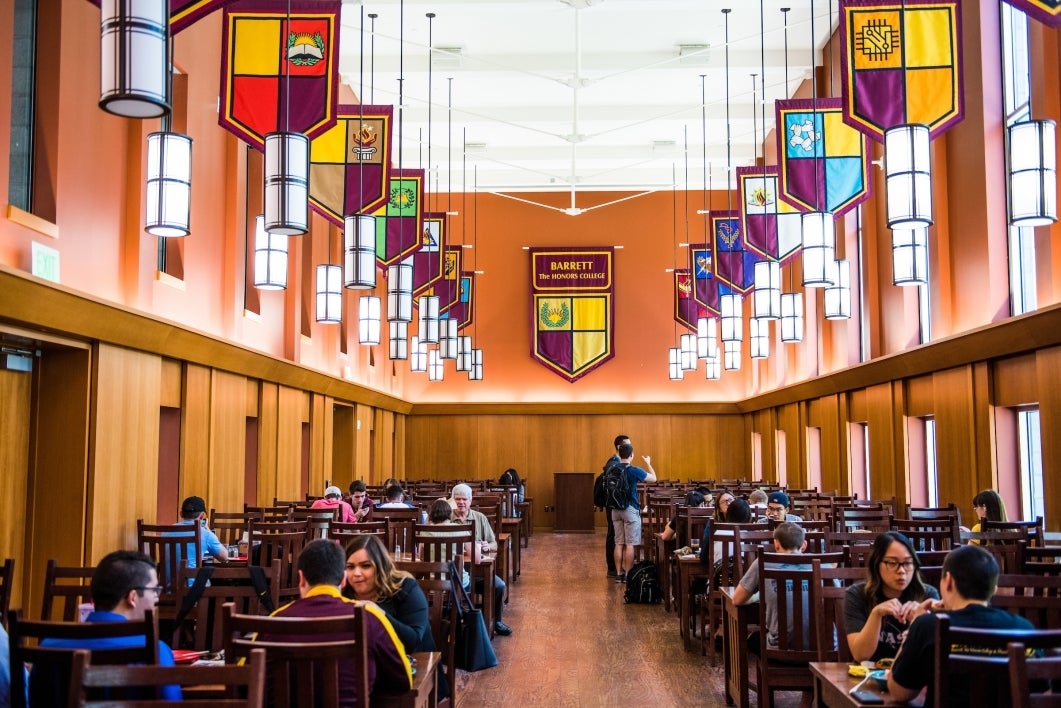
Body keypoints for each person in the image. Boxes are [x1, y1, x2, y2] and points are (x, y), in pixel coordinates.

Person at [264, 539, 412, 706]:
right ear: (343, 579)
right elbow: (403, 681)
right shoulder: (369, 617)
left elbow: (244, 679)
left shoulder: (274, 620)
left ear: (301, 578)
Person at [887, 544, 1034, 706]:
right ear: (994, 589)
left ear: (948, 581)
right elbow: (1038, 689)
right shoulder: (1024, 628)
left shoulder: (928, 625)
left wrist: (914, 624)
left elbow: (898, 692)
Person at [35, 550, 180, 703]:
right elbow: (170, 704)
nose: (157, 598)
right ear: (133, 597)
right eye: (154, 590)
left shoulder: (48, 646)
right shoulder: (155, 649)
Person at [342, 533, 450, 701]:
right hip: (365, 672)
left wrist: (377, 612)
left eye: (365, 566)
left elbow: (412, 640)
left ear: (380, 566)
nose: (356, 573)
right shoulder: (344, 593)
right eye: (350, 567)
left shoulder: (405, 587)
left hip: (413, 674)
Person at [844, 531, 939, 662]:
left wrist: (921, 620)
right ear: (876, 564)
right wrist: (876, 614)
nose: (901, 571)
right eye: (892, 563)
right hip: (868, 675)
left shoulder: (927, 596)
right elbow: (860, 655)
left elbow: (934, 655)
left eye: (907, 563)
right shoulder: (857, 595)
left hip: (912, 677)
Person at [732, 522, 811, 651]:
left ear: (776, 543)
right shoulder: (823, 564)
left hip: (781, 648)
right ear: (804, 545)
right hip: (824, 650)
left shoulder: (763, 563)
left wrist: (758, 595)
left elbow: (737, 599)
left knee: (752, 640)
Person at [450, 483, 513, 636]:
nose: (461, 502)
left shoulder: (480, 518)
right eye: (457, 499)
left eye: (464, 499)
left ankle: (495, 621)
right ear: (453, 500)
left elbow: (495, 545)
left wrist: (487, 546)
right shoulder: (447, 518)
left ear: (470, 501)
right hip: (453, 574)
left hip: (476, 571)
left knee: (499, 586)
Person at [610, 441, 657, 584]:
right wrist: (648, 463)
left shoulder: (612, 469)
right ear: (631, 455)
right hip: (630, 508)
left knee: (618, 543)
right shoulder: (633, 470)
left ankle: (618, 574)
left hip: (615, 509)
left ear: (619, 454)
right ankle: (629, 575)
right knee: (630, 544)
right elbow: (654, 479)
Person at [595, 434, 630, 578]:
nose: (630, 447)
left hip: (616, 503)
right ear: (619, 447)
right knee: (613, 535)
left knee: (615, 535)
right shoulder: (613, 463)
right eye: (628, 444)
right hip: (613, 504)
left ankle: (616, 567)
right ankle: (612, 568)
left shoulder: (617, 462)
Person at [177, 495, 228, 565]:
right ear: (202, 515)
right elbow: (224, 557)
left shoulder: (166, 532)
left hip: (164, 576)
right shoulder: (206, 534)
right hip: (191, 575)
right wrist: (208, 531)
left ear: (181, 514)